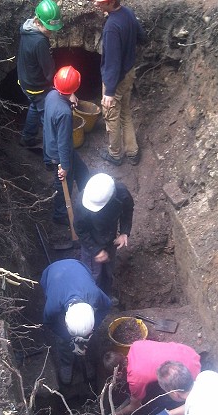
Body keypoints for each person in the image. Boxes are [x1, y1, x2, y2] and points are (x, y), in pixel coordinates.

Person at [40, 259, 112, 384]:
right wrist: (68, 337)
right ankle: (66, 363)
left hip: (78, 266)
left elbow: (107, 306)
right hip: (52, 273)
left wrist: (93, 328)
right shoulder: (53, 306)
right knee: (62, 340)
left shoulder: (94, 294)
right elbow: (49, 323)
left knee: (90, 337)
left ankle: (87, 358)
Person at [94, 0, 147, 166]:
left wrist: (109, 92)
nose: (95, 4)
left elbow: (112, 63)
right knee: (125, 111)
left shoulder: (111, 27)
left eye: (99, 2)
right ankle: (133, 152)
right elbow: (142, 37)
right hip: (129, 73)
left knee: (111, 116)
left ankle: (115, 155)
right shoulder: (128, 13)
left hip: (116, 80)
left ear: (110, 2)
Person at [103, 340, 201, 415]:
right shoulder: (136, 345)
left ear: (118, 373)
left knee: (166, 399)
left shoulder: (134, 379)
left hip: (190, 373)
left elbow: (135, 406)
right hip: (189, 353)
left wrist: (116, 414)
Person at [73, 173, 134, 297]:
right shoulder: (83, 203)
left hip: (110, 237)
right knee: (92, 274)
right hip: (91, 240)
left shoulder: (121, 193)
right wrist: (95, 250)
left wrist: (124, 232)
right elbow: (80, 230)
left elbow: (128, 211)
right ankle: (90, 299)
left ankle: (105, 296)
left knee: (108, 269)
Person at [43, 66, 90, 225]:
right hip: (60, 154)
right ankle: (60, 216)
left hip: (54, 145)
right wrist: (64, 166)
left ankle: (89, 200)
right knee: (64, 185)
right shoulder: (64, 113)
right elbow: (63, 141)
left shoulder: (51, 95)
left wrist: (69, 97)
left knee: (83, 172)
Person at [17, 0, 63, 147]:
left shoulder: (27, 29)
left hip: (25, 80)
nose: (50, 32)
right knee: (46, 115)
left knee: (34, 106)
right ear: (38, 21)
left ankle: (27, 138)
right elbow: (49, 70)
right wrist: (61, 88)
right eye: (48, 29)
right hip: (36, 86)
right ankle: (52, 151)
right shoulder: (40, 42)